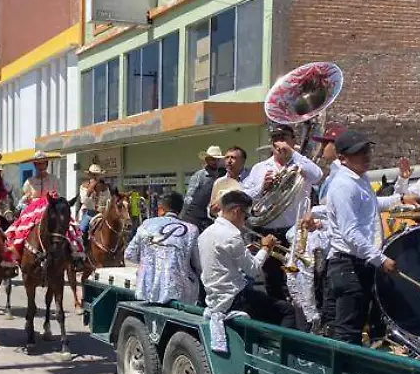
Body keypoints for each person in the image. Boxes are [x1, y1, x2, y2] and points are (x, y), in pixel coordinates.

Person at [321, 130, 420, 346]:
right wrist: (380, 259)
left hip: (356, 263)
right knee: (348, 330)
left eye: (367, 150)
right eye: (359, 152)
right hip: (347, 263)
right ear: (342, 158)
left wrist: (401, 198)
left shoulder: (360, 179)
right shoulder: (343, 186)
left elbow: (372, 205)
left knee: (354, 326)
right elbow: (350, 233)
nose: (365, 155)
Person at [199, 191, 295, 354]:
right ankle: (278, 354)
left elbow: (222, 260)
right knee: (287, 311)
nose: (245, 221)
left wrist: (246, 251)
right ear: (236, 211)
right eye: (245, 215)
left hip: (214, 297)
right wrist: (266, 247)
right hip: (235, 298)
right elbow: (253, 270)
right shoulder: (232, 235)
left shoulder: (206, 234)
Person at [242, 125, 325, 300]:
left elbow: (317, 175)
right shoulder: (260, 168)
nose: (280, 142)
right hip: (269, 231)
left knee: (298, 281)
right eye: (276, 138)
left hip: (295, 231)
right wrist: (262, 187)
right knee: (272, 282)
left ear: (293, 141)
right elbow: (244, 195)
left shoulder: (301, 163)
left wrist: (293, 154)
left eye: (284, 137)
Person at [5, 152, 84, 265]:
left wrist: (54, 195)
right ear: (35, 165)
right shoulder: (29, 181)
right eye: (38, 164)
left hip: (51, 205)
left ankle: (75, 255)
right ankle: (16, 254)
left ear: (46, 164)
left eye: (43, 163)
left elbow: (59, 195)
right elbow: (27, 196)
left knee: (68, 224)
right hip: (33, 207)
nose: (40, 166)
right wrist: (23, 201)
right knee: (21, 226)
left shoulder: (54, 179)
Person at [124, 192, 201, 305]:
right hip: (179, 294)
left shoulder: (146, 224)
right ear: (180, 210)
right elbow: (198, 264)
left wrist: (148, 260)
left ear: (161, 209)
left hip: (147, 290)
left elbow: (129, 255)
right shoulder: (191, 229)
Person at [181, 146, 226, 230]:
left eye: (217, 159)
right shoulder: (199, 176)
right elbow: (189, 197)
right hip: (198, 217)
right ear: (207, 160)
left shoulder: (222, 175)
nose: (215, 162)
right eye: (212, 159)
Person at [208, 146, 250, 218]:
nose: (229, 161)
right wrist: (212, 212)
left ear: (243, 161)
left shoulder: (251, 178)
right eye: (227, 158)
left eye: (233, 158)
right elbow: (211, 208)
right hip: (224, 225)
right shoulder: (219, 182)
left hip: (247, 225)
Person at [75, 164, 112, 236]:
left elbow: (108, 200)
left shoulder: (105, 187)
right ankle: (82, 245)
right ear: (90, 175)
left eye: (97, 175)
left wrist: (100, 193)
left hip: (102, 213)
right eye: (93, 174)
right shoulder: (84, 186)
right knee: (81, 230)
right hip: (89, 213)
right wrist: (89, 191)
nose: (95, 176)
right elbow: (83, 201)